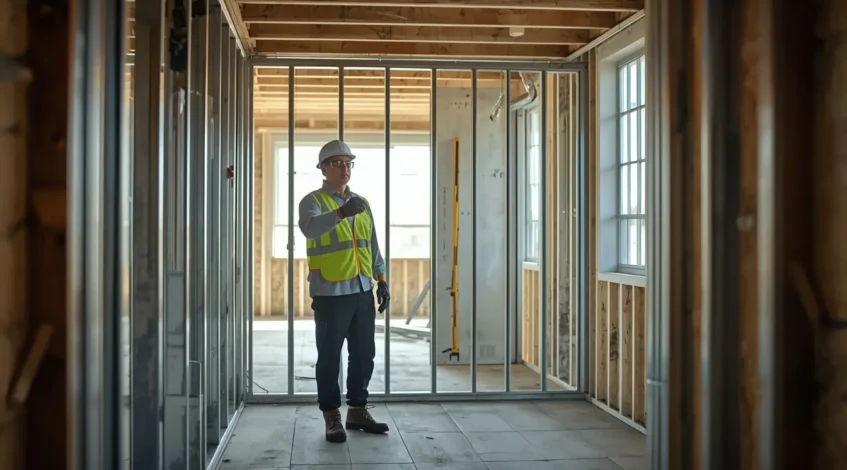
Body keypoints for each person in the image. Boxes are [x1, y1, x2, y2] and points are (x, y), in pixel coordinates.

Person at [297, 139, 391, 443]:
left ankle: (357, 411)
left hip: (362, 289)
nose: (344, 168)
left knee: (363, 354)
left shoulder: (361, 202)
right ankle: (331, 415)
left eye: (348, 163)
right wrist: (340, 213)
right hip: (330, 292)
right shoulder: (312, 201)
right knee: (329, 356)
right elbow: (310, 229)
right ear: (323, 169)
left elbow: (371, 244)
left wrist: (382, 279)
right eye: (337, 163)